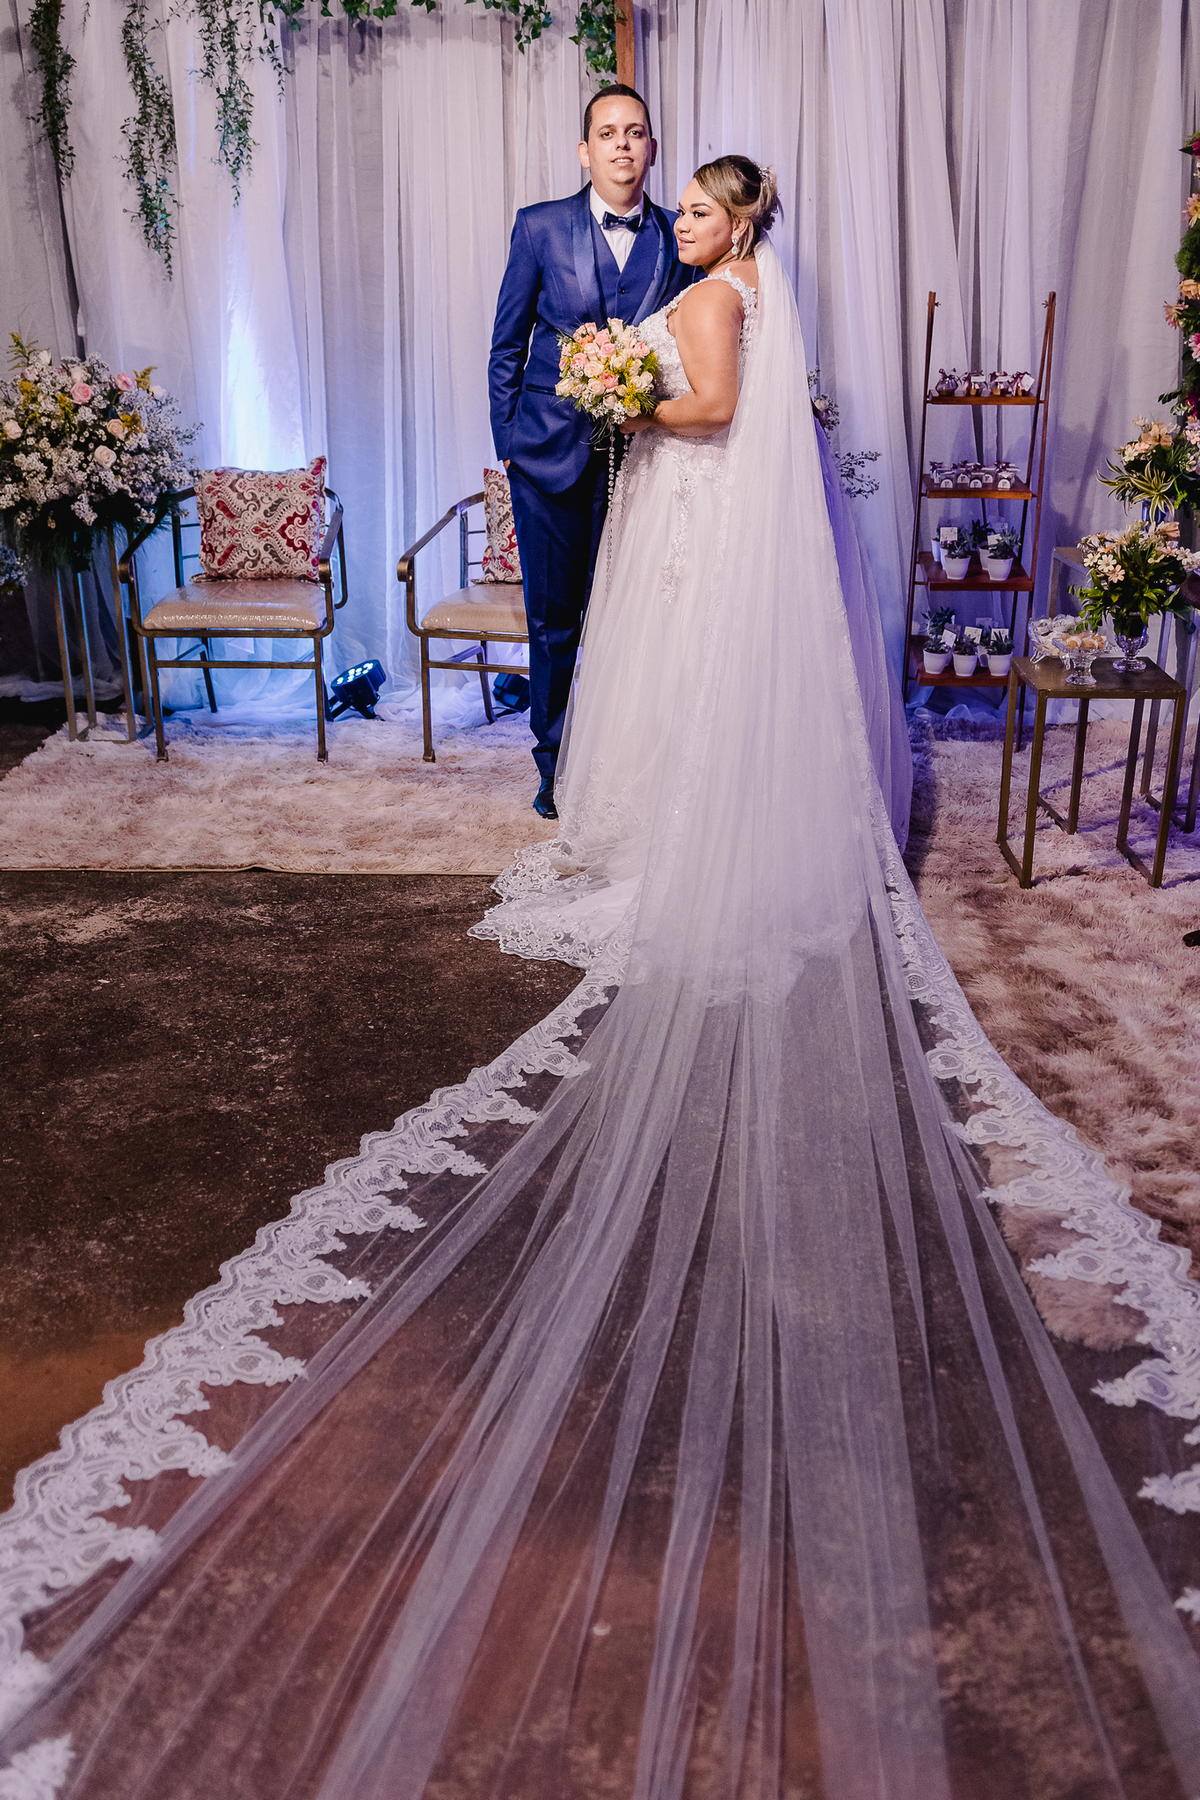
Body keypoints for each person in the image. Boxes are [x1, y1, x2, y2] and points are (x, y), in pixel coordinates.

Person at [3, 159, 1200, 1800]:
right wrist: (603, 385)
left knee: (671, 703)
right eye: (678, 209)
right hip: (699, 528)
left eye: (702, 211)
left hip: (695, 516)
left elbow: (705, 418)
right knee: (658, 700)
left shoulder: (715, 298)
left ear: (731, 223)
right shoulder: (750, 291)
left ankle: (674, 842)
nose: (685, 228)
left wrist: (627, 393)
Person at [488, 83, 693, 822]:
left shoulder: (681, 237)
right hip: (548, 460)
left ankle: (630, 769)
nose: (622, 144)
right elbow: (507, 345)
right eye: (607, 133)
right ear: (585, 149)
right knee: (554, 619)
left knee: (639, 621)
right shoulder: (539, 227)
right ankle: (554, 766)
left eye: (635, 132)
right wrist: (509, 445)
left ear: (652, 148)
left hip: (649, 462)